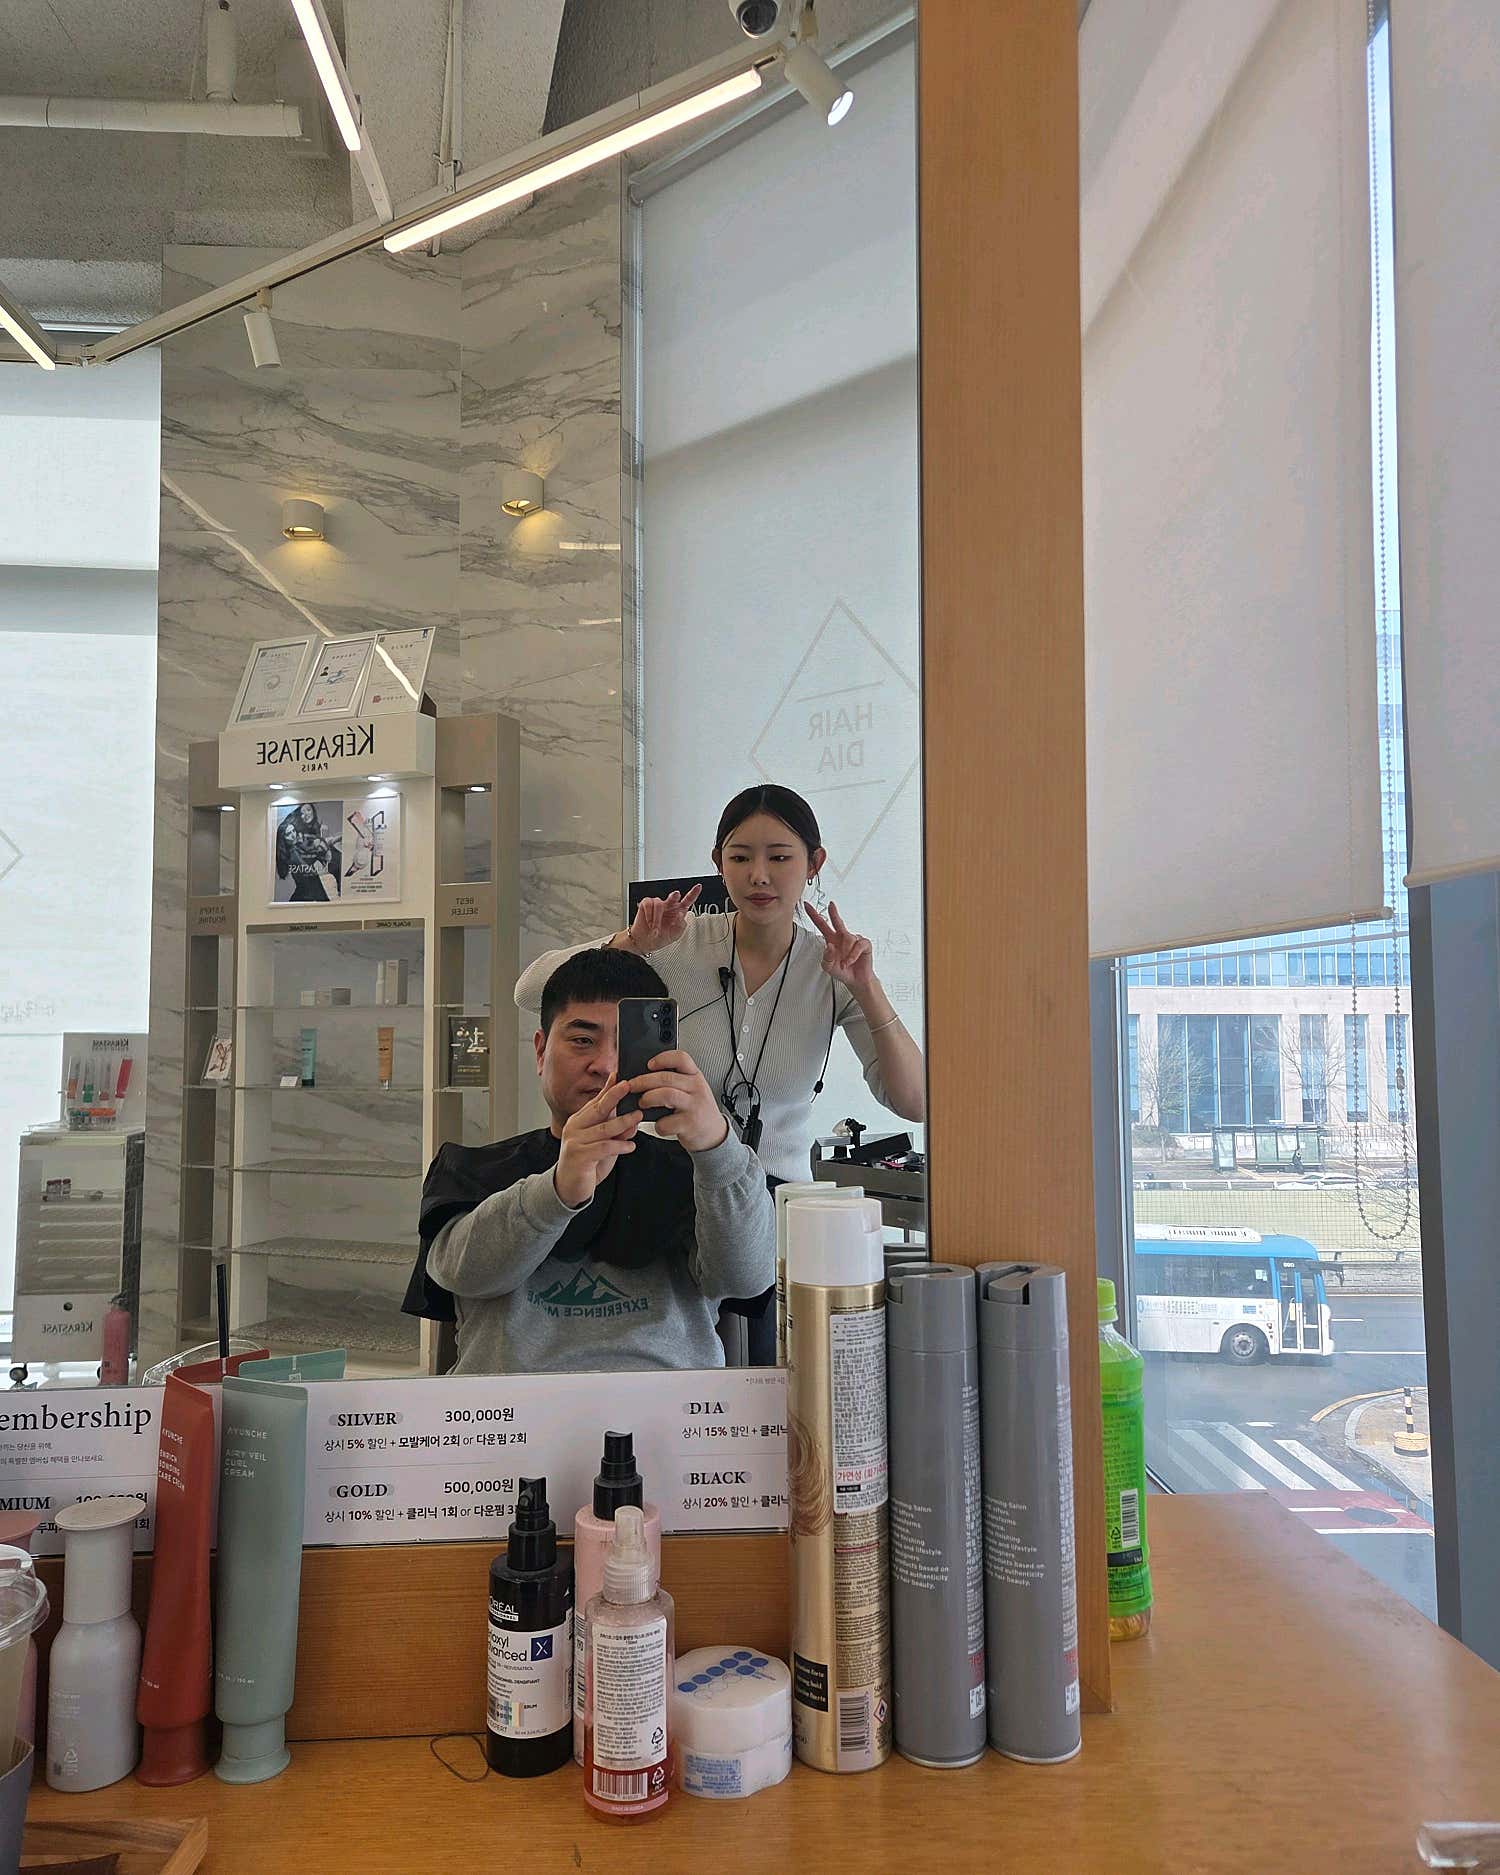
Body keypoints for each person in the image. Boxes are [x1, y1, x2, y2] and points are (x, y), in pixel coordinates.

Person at [514, 784, 926, 1187]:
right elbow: (530, 992)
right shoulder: (676, 941)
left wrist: (866, 987)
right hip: (665, 1191)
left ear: (814, 863)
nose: (758, 876)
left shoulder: (832, 969)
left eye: (780, 857)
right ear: (719, 863)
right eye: (740, 857)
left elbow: (916, 1103)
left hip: (776, 1196)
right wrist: (632, 944)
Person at [403, 948, 775, 1374]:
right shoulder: (472, 1168)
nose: (604, 1066)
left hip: (665, 1408)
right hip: (510, 1411)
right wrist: (556, 1191)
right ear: (541, 1052)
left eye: (625, 1045)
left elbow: (744, 1279)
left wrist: (717, 1147)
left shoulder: (696, 1174)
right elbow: (462, 1274)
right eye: (582, 1040)